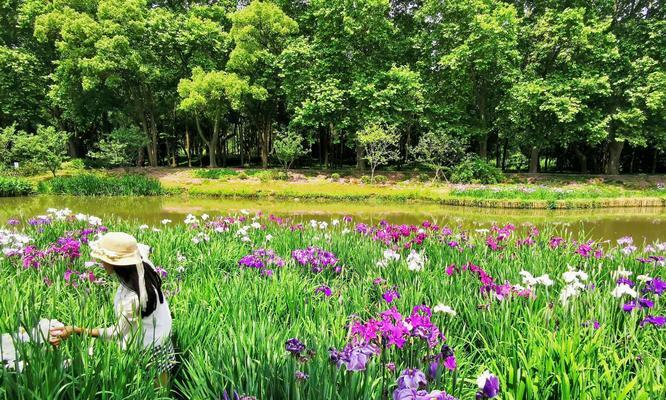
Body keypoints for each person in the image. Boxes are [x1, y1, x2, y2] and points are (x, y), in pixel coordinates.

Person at [50, 232, 175, 386]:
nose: (100, 262)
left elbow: (115, 334)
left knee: (160, 391)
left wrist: (76, 330)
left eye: (103, 259)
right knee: (149, 382)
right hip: (159, 328)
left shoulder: (133, 299)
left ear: (117, 263)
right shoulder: (142, 263)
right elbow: (143, 249)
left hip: (152, 343)